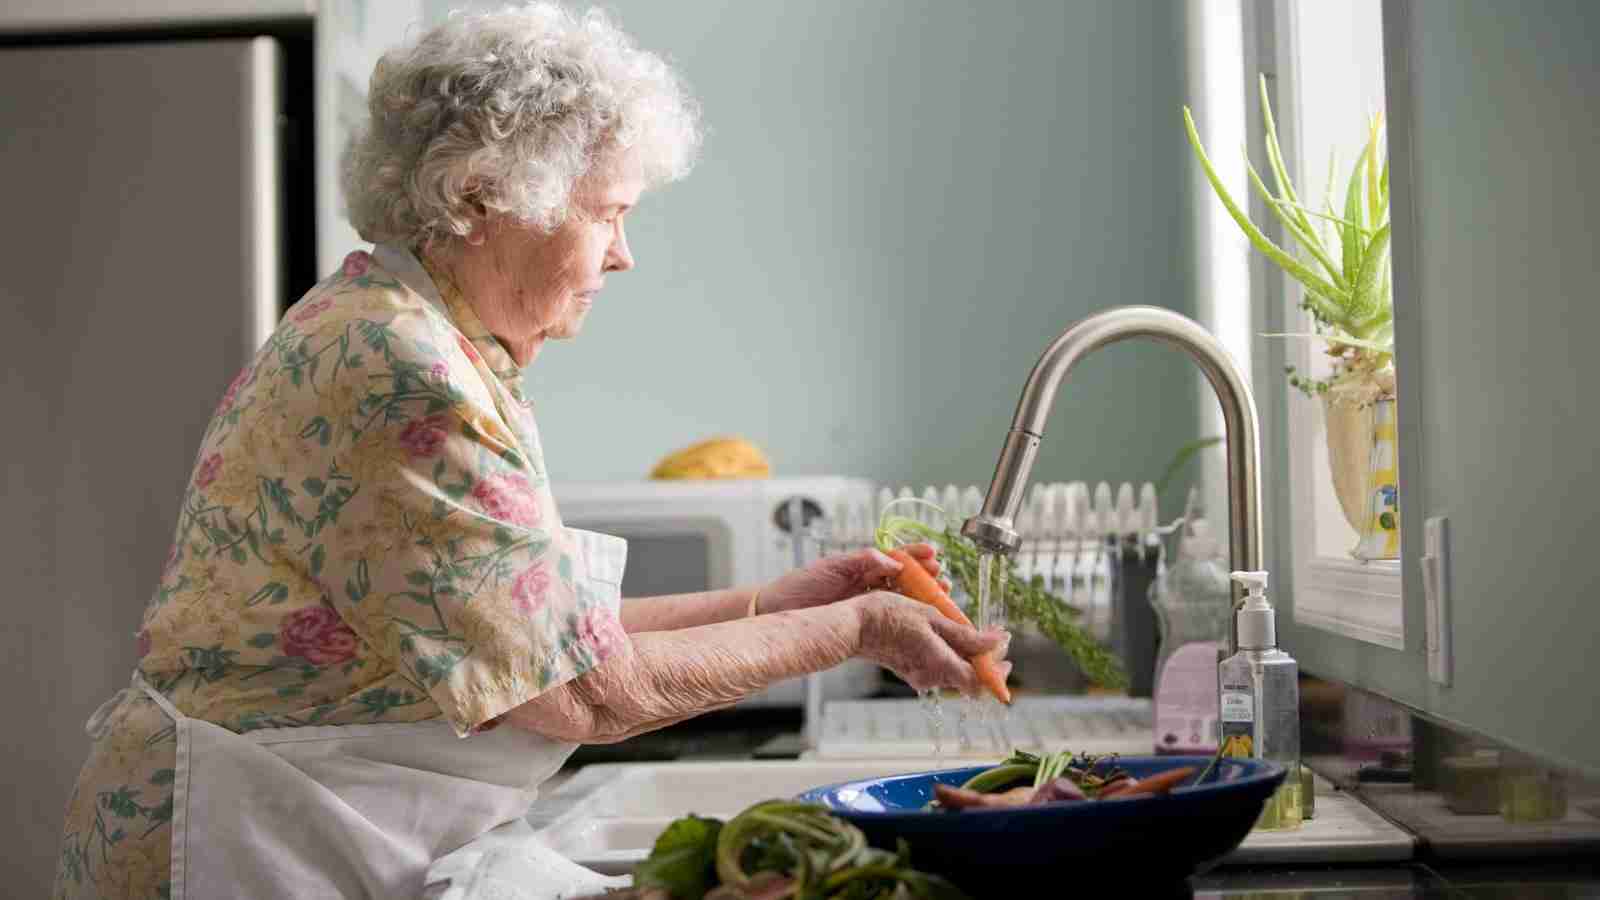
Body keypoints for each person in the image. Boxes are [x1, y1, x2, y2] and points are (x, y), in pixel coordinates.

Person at [52, 4, 1010, 898]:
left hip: (295, 823)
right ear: (485, 197)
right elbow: (584, 694)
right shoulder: (401, 373)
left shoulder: (419, 338)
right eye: (606, 213)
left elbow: (543, 636)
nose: (625, 252)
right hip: (233, 848)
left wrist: (790, 600)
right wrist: (857, 629)